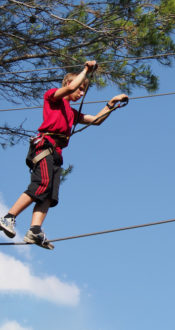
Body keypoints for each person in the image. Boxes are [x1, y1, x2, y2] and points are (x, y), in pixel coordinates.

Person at [0, 60, 128, 249]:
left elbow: (95, 120)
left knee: (50, 194)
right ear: (69, 85)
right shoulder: (53, 97)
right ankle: (8, 217)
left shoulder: (71, 112)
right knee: (41, 184)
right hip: (44, 145)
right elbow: (71, 88)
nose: (81, 93)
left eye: (83, 91)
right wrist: (85, 70)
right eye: (81, 89)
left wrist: (110, 104)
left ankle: (35, 230)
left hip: (57, 153)